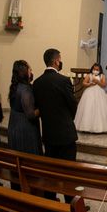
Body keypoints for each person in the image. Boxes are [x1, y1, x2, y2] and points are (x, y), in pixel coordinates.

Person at [33, 49, 78, 202]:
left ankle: (50, 198)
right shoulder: (63, 80)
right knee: (69, 170)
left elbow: (38, 105)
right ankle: (70, 201)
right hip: (65, 133)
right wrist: (68, 118)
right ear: (56, 61)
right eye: (60, 59)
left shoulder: (37, 83)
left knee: (50, 169)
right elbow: (72, 104)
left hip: (48, 132)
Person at [7, 60, 41, 155]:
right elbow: (31, 114)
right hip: (24, 128)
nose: (31, 71)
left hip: (14, 124)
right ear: (24, 72)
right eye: (30, 69)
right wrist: (42, 107)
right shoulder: (25, 89)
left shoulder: (16, 86)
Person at [75, 63, 107, 133]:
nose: (95, 70)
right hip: (89, 93)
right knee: (88, 108)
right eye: (94, 69)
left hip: (99, 93)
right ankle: (86, 127)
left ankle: (100, 127)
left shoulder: (102, 76)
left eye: (97, 69)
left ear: (100, 70)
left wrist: (98, 82)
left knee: (99, 109)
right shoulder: (89, 75)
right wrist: (89, 84)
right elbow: (84, 83)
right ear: (92, 69)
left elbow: (104, 85)